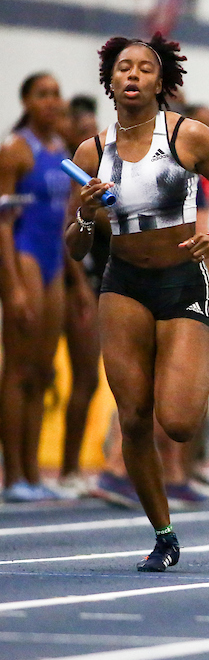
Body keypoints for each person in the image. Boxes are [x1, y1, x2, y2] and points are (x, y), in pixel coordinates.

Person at [65, 34, 209, 571]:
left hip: (180, 282)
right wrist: (84, 212)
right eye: (123, 68)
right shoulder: (89, 154)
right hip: (121, 283)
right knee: (134, 417)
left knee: (178, 422)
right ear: (110, 79)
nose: (132, 76)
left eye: (144, 69)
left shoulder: (188, 137)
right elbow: (75, 246)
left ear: (160, 80)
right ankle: (163, 532)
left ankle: (197, 358)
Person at [0, 72, 71, 502]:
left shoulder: (62, 151)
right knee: (18, 369)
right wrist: (13, 288)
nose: (51, 101)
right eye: (42, 94)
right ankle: (13, 475)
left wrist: (79, 287)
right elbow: (2, 225)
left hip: (55, 262)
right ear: (26, 100)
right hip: (24, 257)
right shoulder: (15, 150)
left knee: (43, 372)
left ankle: (33, 469)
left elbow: (67, 221)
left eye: (55, 93)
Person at [56, 95, 105, 496]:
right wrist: (81, 290)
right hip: (77, 285)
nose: (91, 137)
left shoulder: (99, 170)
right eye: (83, 131)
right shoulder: (69, 175)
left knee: (89, 380)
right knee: (83, 377)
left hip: (99, 283)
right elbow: (66, 235)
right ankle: (68, 468)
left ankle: (71, 467)